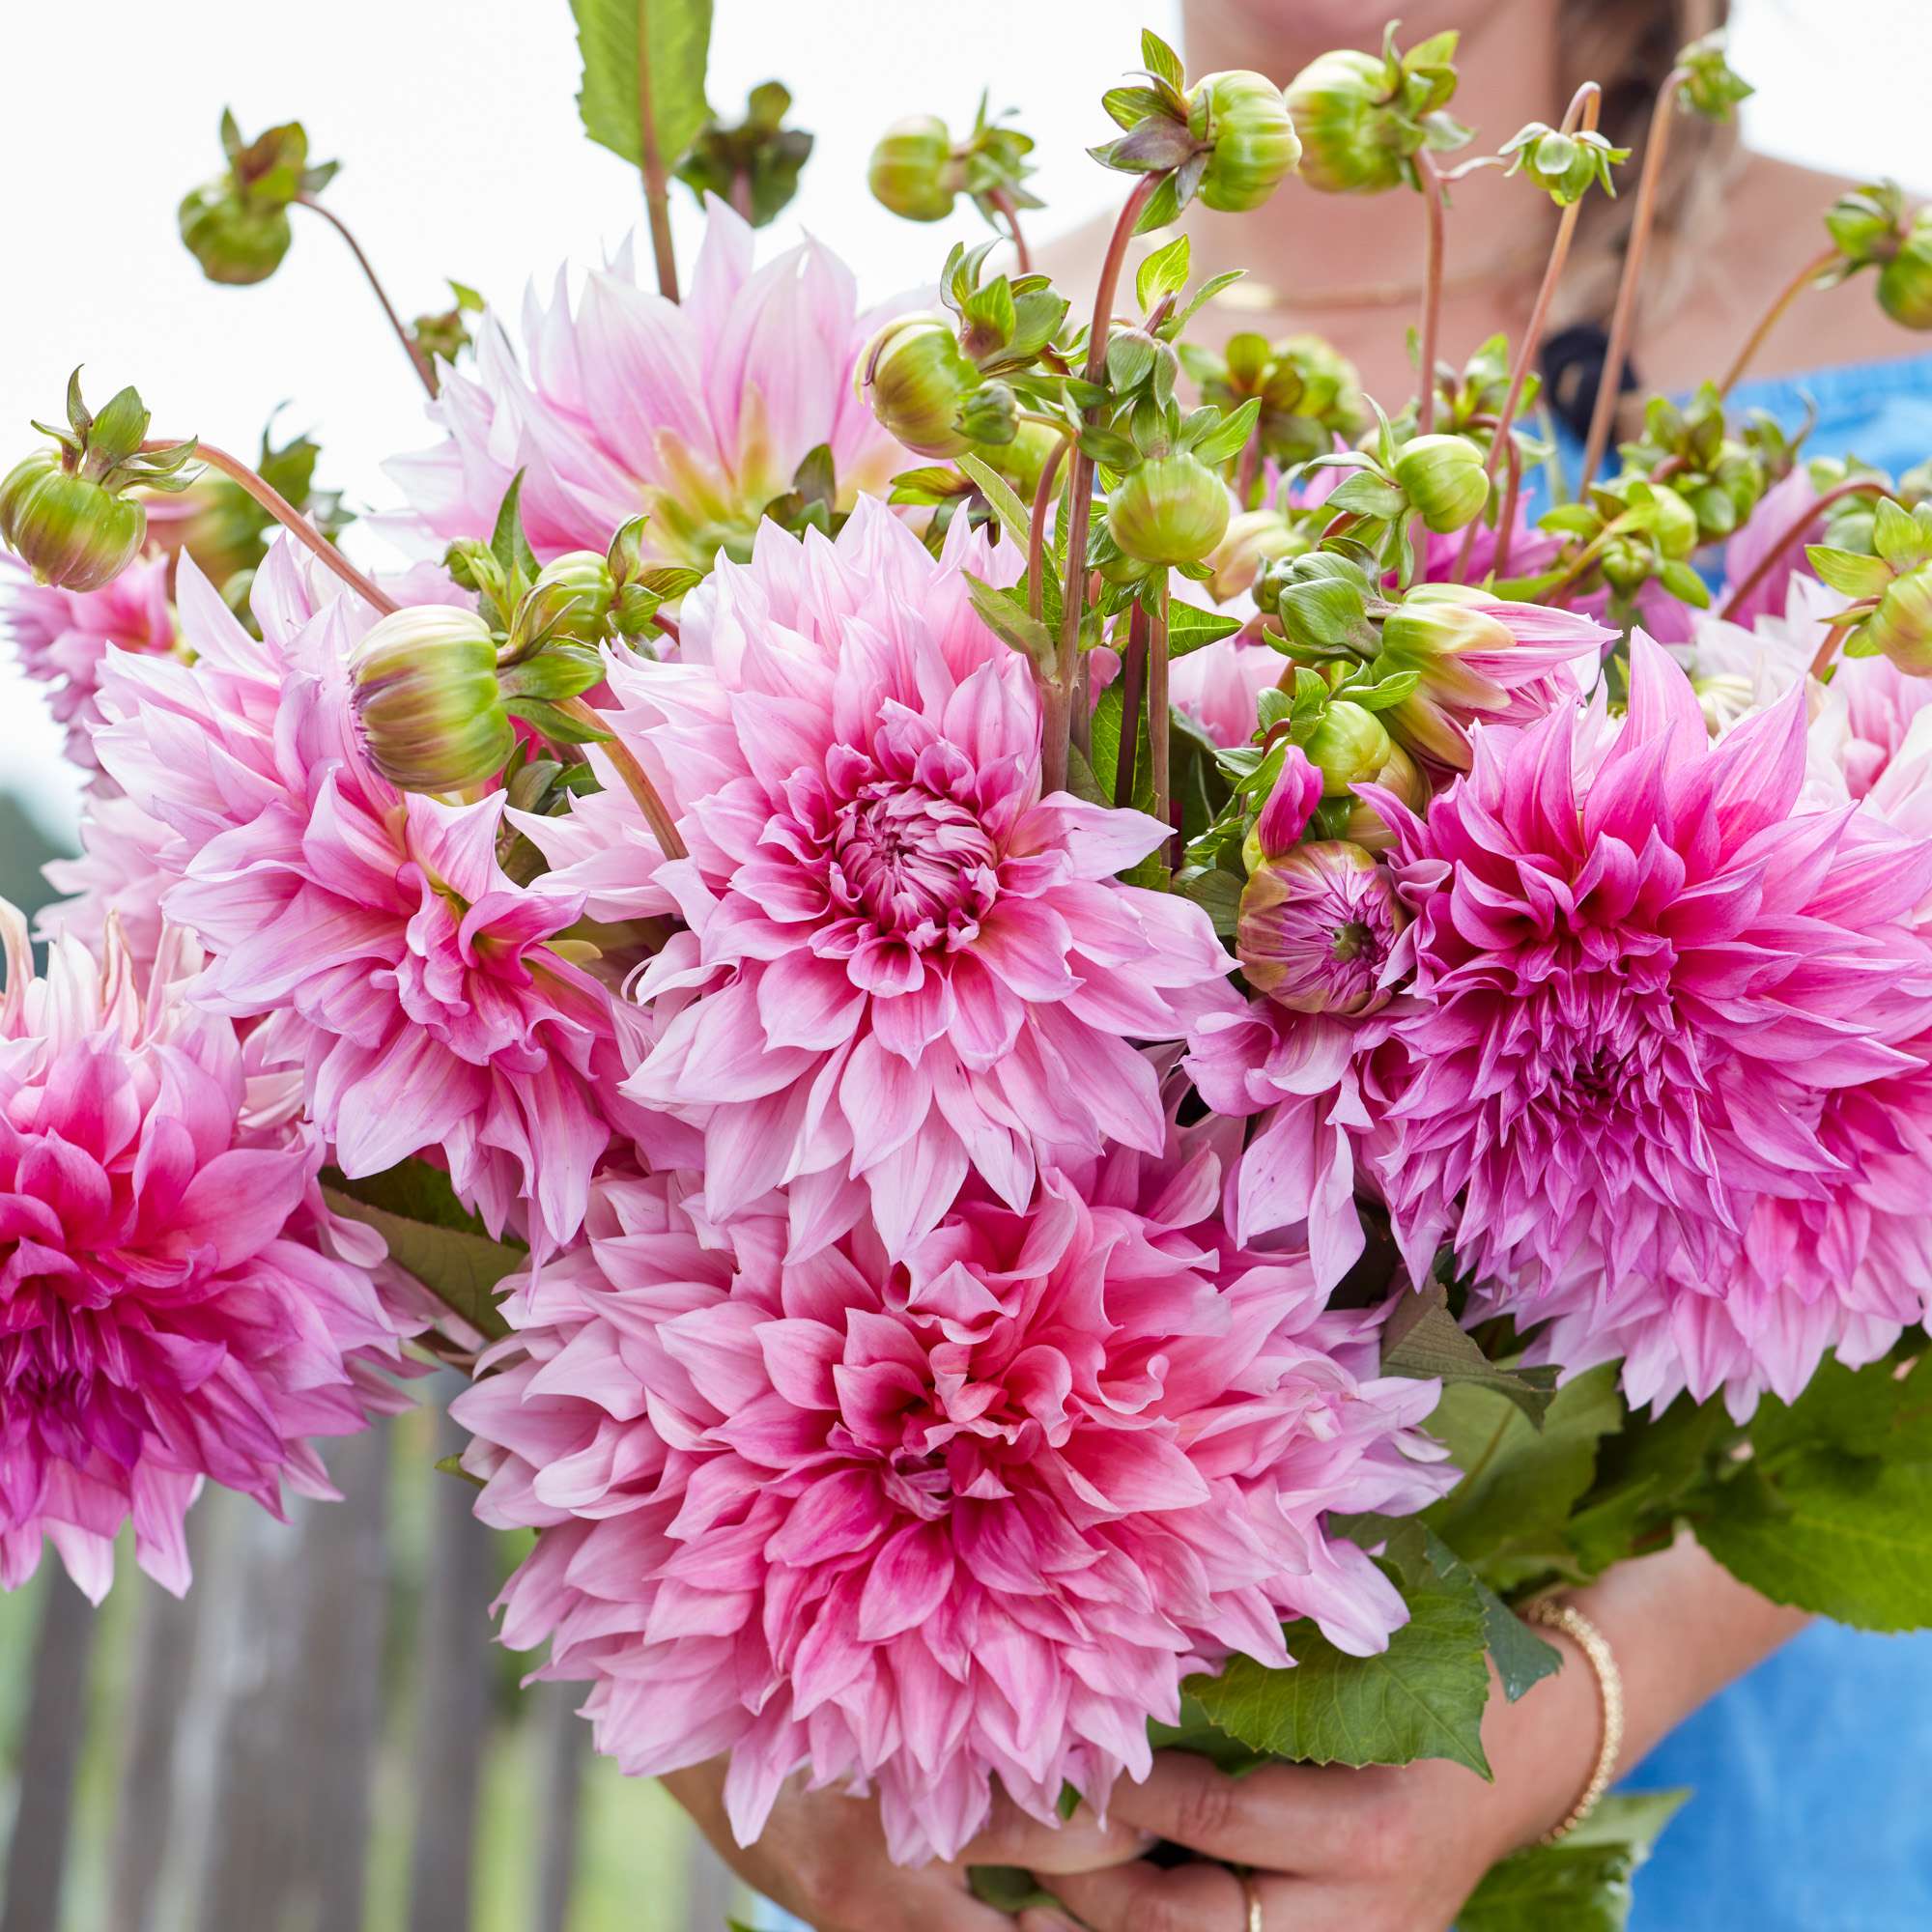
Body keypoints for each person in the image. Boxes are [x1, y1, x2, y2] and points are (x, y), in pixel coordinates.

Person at [663, 5, 1932, 1926]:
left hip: (1731, 1818)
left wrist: (1570, 1713)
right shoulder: (887, 393)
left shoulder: (1887, 355)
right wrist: (751, 1760)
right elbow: (588, 1192)